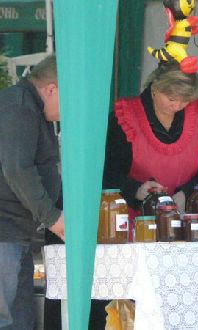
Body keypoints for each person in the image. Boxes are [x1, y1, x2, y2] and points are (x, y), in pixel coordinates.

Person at [103, 61, 198, 216]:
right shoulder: (125, 117)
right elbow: (107, 171)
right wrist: (136, 189)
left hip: (187, 217)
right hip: (134, 219)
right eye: (172, 99)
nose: (177, 106)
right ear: (155, 88)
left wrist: (188, 193)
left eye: (185, 100)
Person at [0, 54, 64, 329]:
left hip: (18, 232)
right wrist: (52, 218)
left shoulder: (31, 107)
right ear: (52, 89)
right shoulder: (19, 108)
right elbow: (18, 170)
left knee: (22, 320)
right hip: (5, 232)